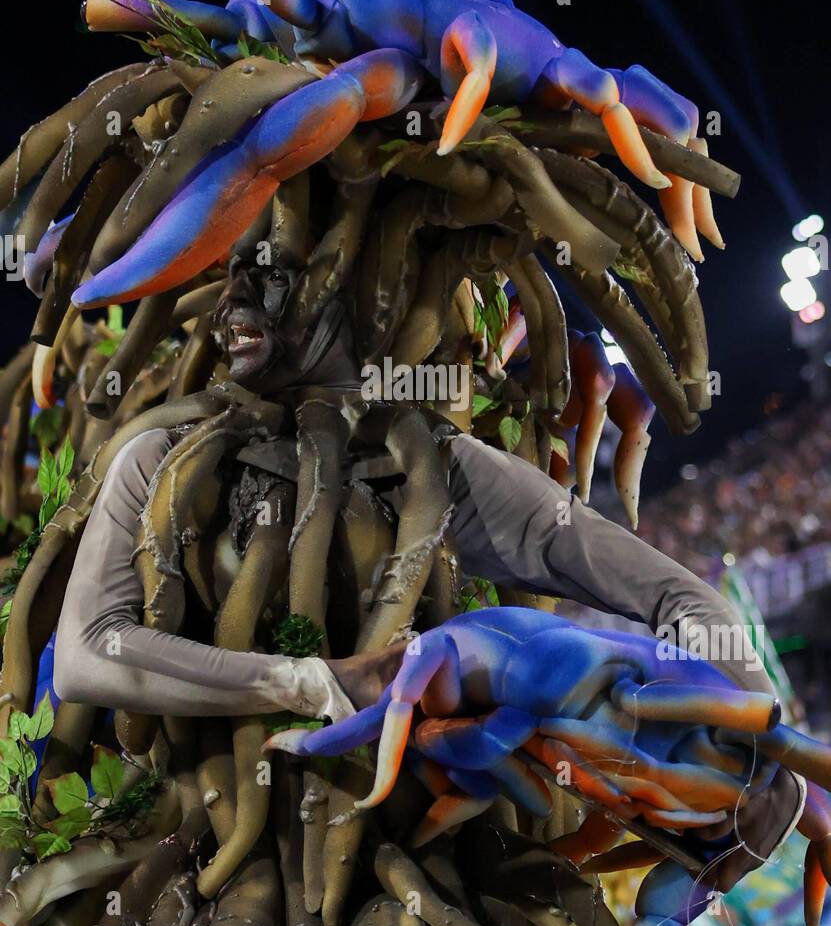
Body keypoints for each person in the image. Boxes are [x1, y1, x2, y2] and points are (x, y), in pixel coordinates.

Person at [53, 254, 803, 870]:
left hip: (412, 855)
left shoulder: (441, 464)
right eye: (230, 282)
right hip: (202, 860)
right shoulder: (157, 457)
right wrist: (312, 683)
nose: (232, 303)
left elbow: (678, 597)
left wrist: (757, 747)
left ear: (353, 296)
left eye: (268, 275)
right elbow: (86, 656)